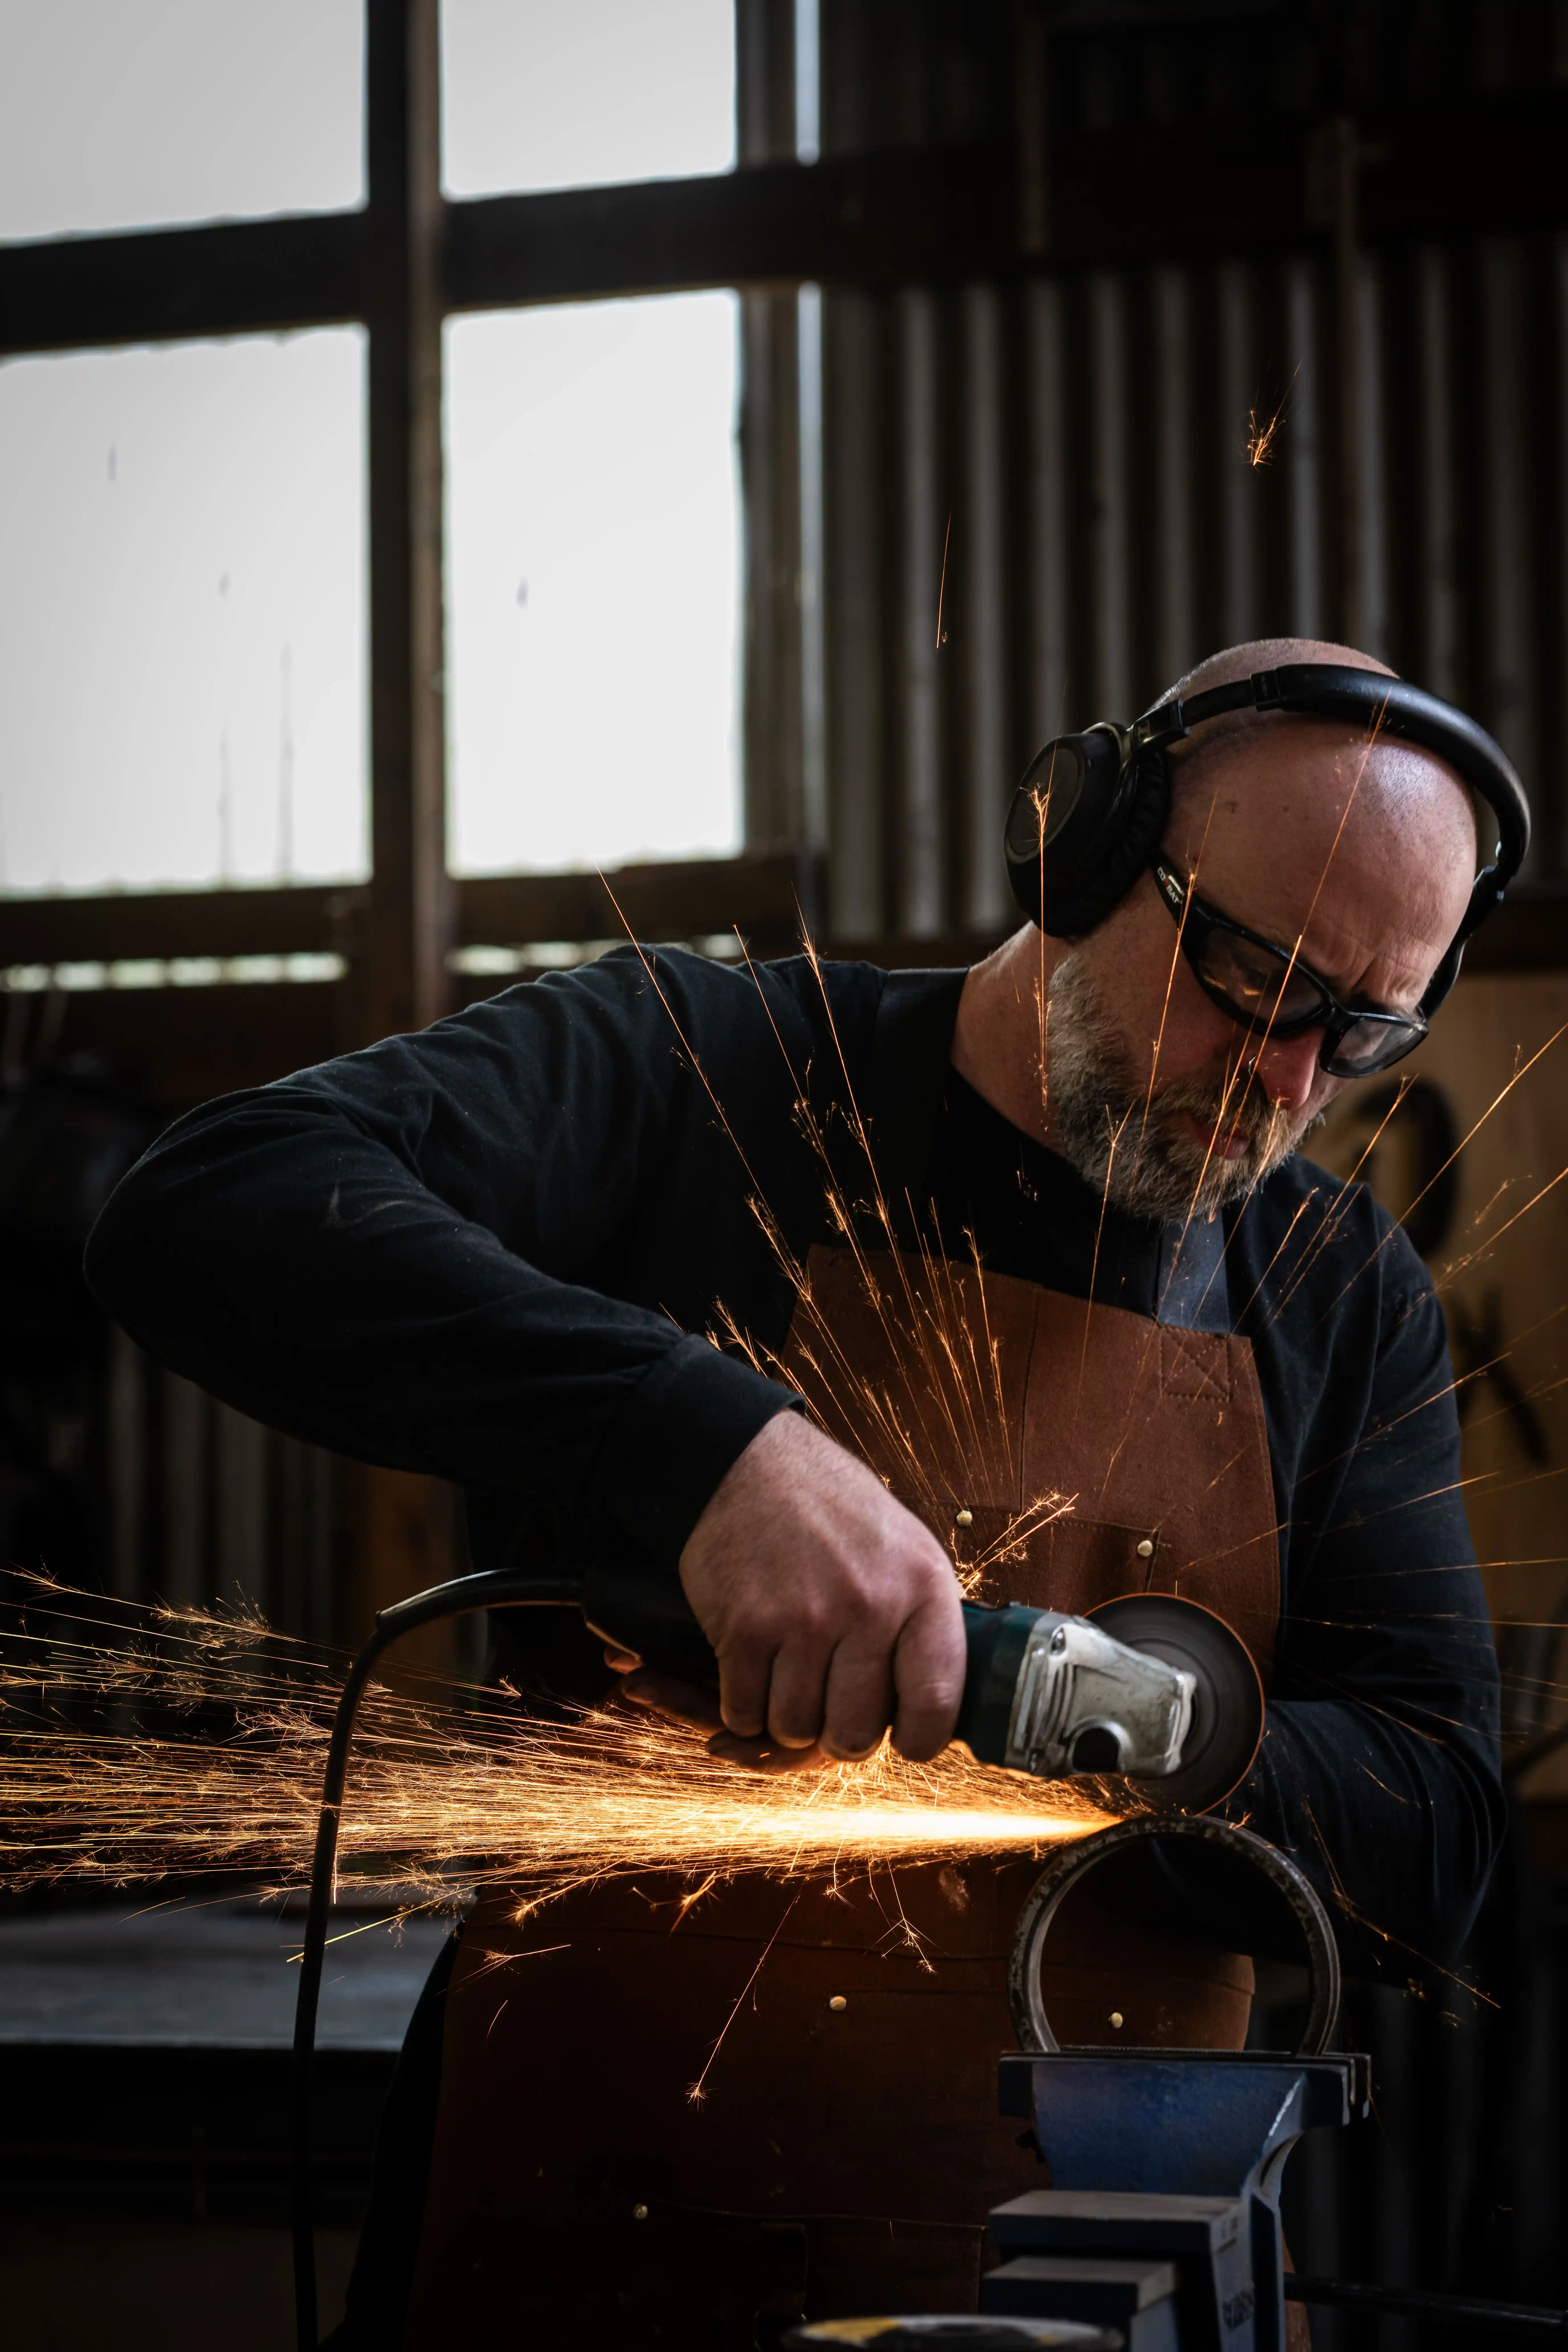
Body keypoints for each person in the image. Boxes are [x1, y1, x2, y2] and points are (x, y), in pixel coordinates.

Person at [86, 638, 1505, 2348]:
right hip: (598, 2260)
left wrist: (1108, 1721)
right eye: (1253, 978)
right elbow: (212, 1202)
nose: (1286, 1081)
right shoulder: (710, 1071)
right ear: (1085, 845)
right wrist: (702, 1446)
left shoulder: (1343, 1293)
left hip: (1085, 2300)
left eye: (1361, 1030)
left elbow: (1438, 1837)